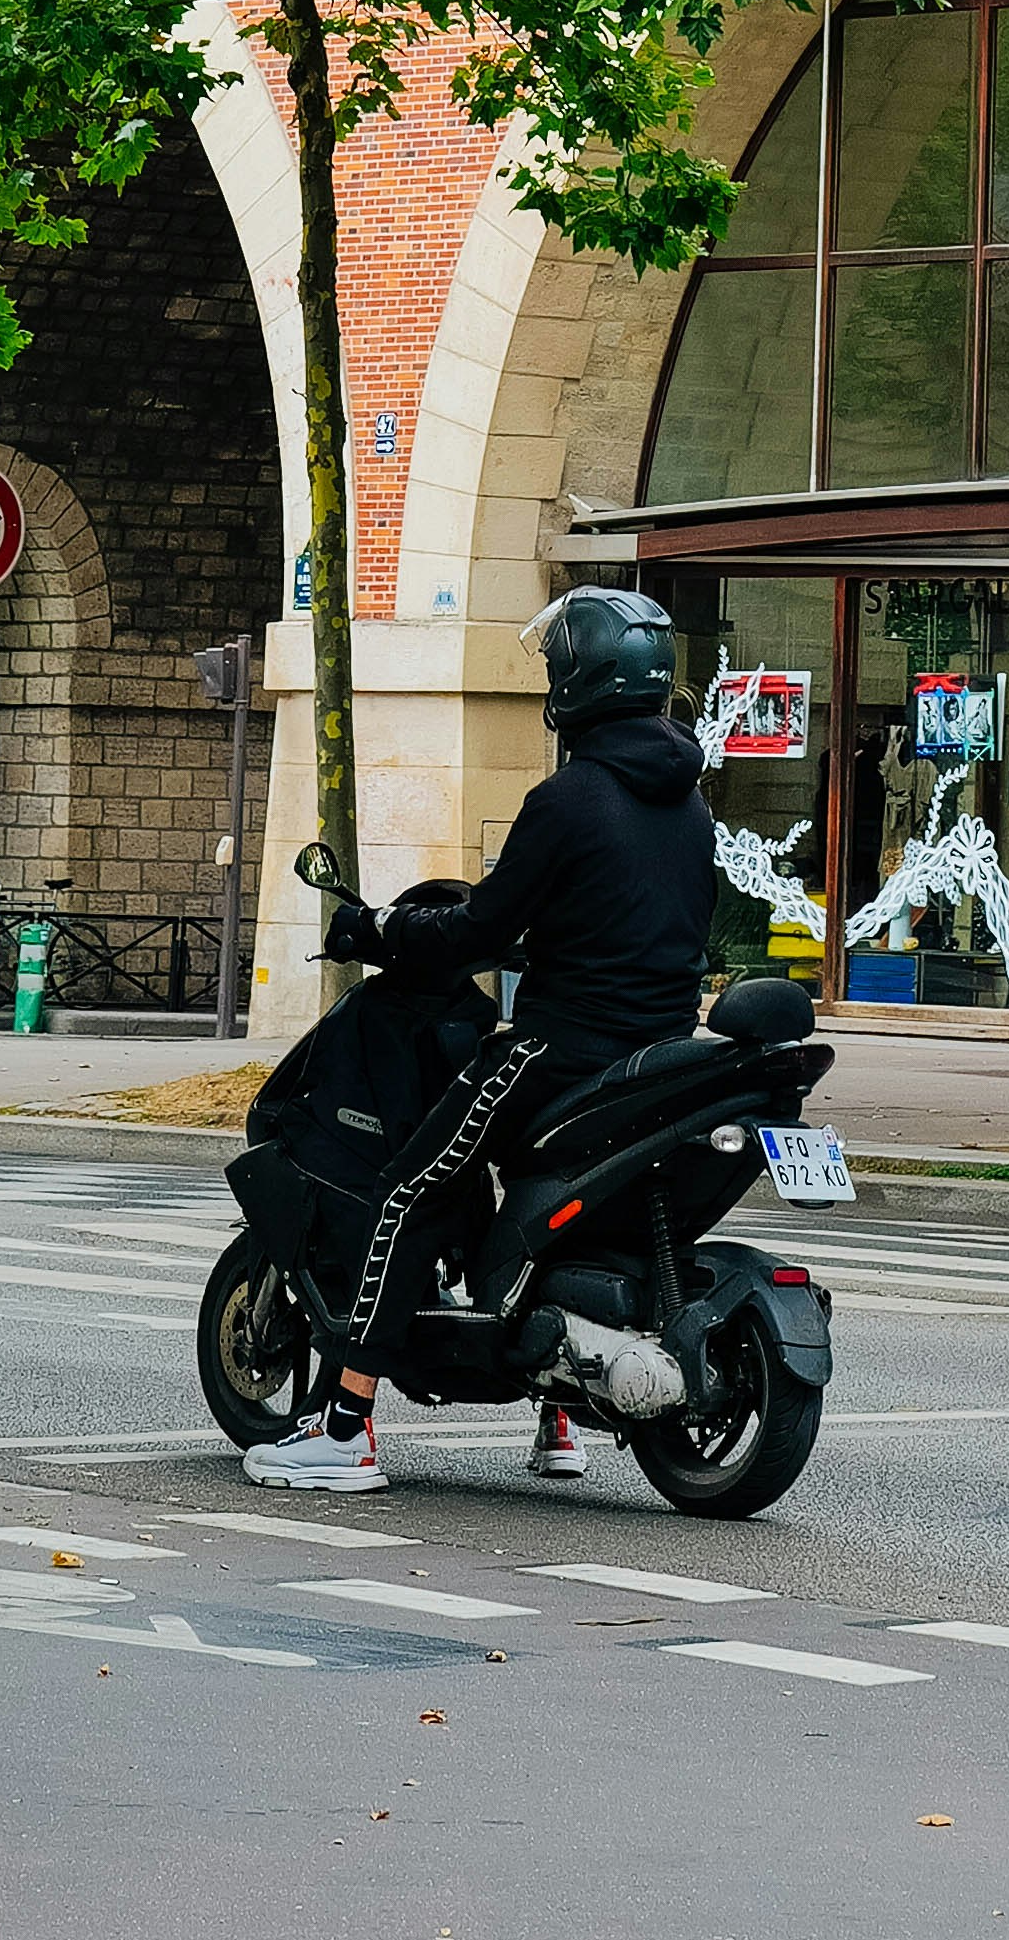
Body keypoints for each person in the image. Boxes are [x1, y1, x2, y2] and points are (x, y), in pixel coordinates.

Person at [249, 582, 719, 1494]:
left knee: (408, 1188)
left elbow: (478, 935)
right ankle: (560, 1425)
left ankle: (344, 1429)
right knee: (555, 1211)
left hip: (561, 1054)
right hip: (657, 1059)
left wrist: (377, 930)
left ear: (574, 681)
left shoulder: (570, 798)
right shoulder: (688, 806)